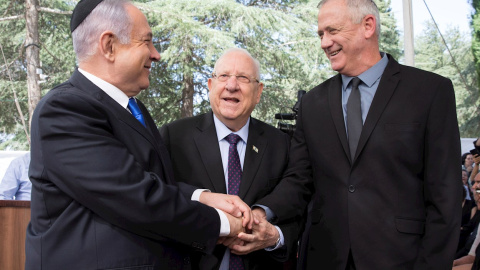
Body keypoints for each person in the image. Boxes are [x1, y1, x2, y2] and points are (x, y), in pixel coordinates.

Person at [26, 0, 254, 269]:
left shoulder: (133, 107)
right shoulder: (64, 109)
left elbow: (146, 179)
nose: (156, 54)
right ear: (109, 46)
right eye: (146, 42)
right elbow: (134, 196)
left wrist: (202, 197)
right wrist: (226, 223)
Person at [245, 0, 461, 268]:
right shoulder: (312, 104)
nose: (325, 43)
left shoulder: (430, 92)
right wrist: (261, 212)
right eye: (321, 34)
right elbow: (300, 180)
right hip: (325, 259)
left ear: (368, 26)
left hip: (402, 260)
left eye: (332, 31)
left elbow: (446, 197)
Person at [160, 48, 299, 269]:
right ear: (210, 85)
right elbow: (156, 197)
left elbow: (296, 211)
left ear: (259, 91)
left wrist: (274, 237)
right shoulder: (172, 137)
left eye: (243, 78)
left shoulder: (281, 144)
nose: (231, 85)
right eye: (223, 76)